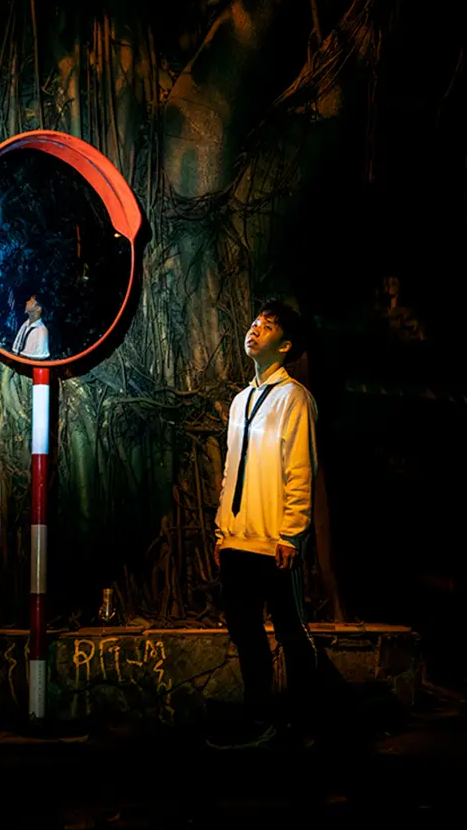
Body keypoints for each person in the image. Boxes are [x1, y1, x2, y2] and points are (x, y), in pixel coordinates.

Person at [210, 299, 318, 749]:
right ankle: (260, 720)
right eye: (254, 322)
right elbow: (231, 468)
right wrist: (222, 529)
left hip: (276, 541)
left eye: (267, 326)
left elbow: (299, 468)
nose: (254, 329)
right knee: (247, 634)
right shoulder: (240, 401)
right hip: (239, 539)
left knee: (292, 631)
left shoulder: (293, 397)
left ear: (286, 345)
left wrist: (293, 531)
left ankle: (306, 725)